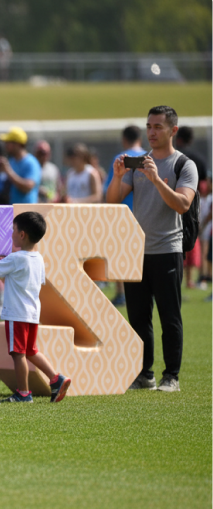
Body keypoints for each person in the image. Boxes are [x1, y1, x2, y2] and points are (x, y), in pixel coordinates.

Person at [106, 106, 198, 393]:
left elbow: (182, 205)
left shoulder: (184, 165)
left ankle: (172, 376)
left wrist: (157, 180)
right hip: (137, 251)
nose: (152, 132)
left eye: (158, 126)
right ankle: (144, 374)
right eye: (148, 126)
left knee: (169, 317)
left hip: (168, 249)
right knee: (138, 317)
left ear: (173, 131)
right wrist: (118, 176)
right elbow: (112, 202)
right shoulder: (140, 163)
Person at [0, 212, 71, 403]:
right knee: (31, 350)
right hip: (32, 313)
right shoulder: (38, 258)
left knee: (18, 353)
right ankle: (56, 378)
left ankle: (23, 393)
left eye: (13, 230)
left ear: (22, 234)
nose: (11, 234)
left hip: (17, 313)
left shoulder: (17, 258)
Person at [105, 125, 147, 306]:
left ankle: (121, 293)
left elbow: (110, 188)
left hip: (123, 212)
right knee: (144, 253)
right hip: (146, 211)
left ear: (124, 139)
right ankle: (147, 291)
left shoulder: (120, 158)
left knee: (120, 254)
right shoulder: (150, 157)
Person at [175, 126, 209, 289]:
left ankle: (177, 279)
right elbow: (204, 186)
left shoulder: (174, 157)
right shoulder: (198, 159)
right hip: (195, 205)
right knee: (193, 241)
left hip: (173, 203)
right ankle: (190, 279)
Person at [0, 127, 42, 204]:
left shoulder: (31, 162)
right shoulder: (12, 161)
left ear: (17, 144)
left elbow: (28, 187)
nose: (6, 145)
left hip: (28, 211)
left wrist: (8, 171)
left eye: (8, 142)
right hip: (14, 210)